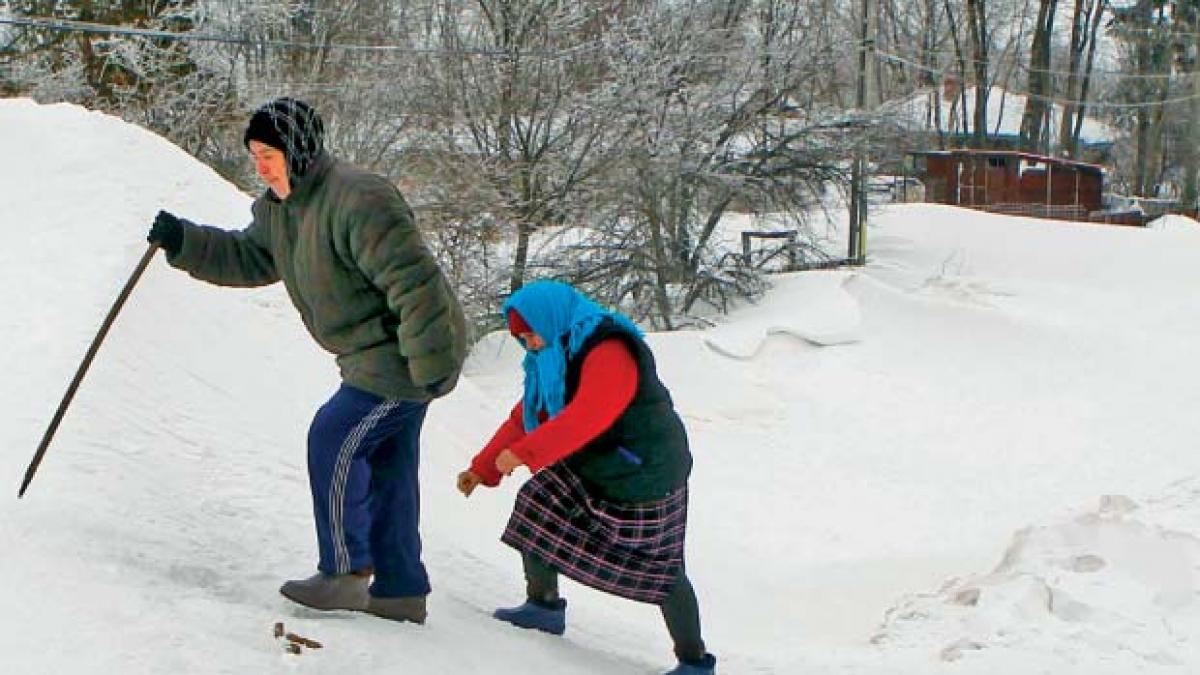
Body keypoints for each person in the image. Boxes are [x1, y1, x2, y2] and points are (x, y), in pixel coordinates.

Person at [147, 97, 467, 625]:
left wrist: (429, 366)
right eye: (254, 154)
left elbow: (415, 284)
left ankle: (344, 572)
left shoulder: (358, 198)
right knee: (388, 469)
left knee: (334, 438)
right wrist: (185, 241)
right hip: (369, 357)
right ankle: (400, 590)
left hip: (400, 356)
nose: (260, 165)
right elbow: (250, 257)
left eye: (268, 153)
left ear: (297, 150)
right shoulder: (282, 209)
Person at [457, 280, 717, 675]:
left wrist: (525, 453)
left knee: (661, 567)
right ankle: (543, 606)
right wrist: (484, 467)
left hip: (646, 471)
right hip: (599, 462)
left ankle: (694, 661)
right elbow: (530, 412)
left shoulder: (608, 350)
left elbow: (589, 416)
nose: (527, 343)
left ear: (550, 318)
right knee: (539, 500)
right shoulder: (554, 351)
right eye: (519, 338)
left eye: (529, 333)